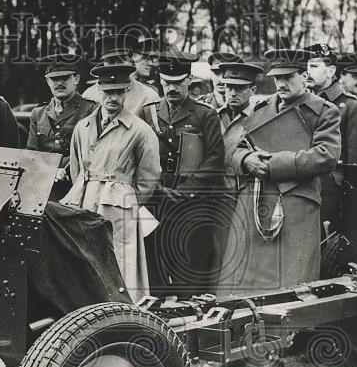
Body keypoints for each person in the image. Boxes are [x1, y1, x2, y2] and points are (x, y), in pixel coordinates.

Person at [216, 49, 341, 367]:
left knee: (286, 284)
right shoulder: (260, 109)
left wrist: (273, 164)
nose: (282, 84)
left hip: (295, 203)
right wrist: (245, 161)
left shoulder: (323, 111)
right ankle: (236, 346)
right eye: (278, 79)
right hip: (255, 199)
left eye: (288, 78)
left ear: (305, 76)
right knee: (244, 278)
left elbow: (326, 157)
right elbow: (236, 148)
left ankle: (271, 355)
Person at [63, 63, 162, 302]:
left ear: (127, 91)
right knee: (85, 257)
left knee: (121, 261)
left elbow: (149, 175)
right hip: (85, 201)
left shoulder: (140, 130)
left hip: (118, 206)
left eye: (119, 92)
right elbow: (77, 169)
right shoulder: (83, 127)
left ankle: (123, 313)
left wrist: (126, 199)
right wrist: (84, 192)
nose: (113, 98)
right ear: (99, 91)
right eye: (108, 92)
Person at [137, 52, 225, 296]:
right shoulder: (147, 113)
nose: (172, 88)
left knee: (192, 267)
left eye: (177, 82)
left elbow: (214, 160)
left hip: (192, 204)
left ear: (189, 81)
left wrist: (184, 191)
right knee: (152, 262)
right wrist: (151, 189)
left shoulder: (205, 115)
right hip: (155, 201)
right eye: (166, 83)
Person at [302, 44, 357, 231]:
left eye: (314, 66)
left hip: (332, 197)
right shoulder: (300, 104)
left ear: (331, 71)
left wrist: (353, 209)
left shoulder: (352, 107)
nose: (307, 72)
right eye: (306, 66)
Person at [212, 60, 265, 291]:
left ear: (252, 91)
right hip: (214, 196)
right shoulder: (213, 116)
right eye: (228, 87)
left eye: (239, 88)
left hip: (244, 195)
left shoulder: (261, 118)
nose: (231, 93)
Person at [25, 53, 98, 201]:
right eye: (54, 79)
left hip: (79, 186)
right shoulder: (38, 113)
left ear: (76, 79)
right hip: (44, 185)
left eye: (65, 78)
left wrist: (62, 169)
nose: (59, 83)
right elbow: (32, 154)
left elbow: (92, 151)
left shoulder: (91, 109)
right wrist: (50, 171)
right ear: (47, 81)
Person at [81, 34, 161, 114]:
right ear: (103, 63)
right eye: (111, 61)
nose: (116, 66)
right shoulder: (89, 96)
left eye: (121, 60)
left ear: (131, 61)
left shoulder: (148, 96)